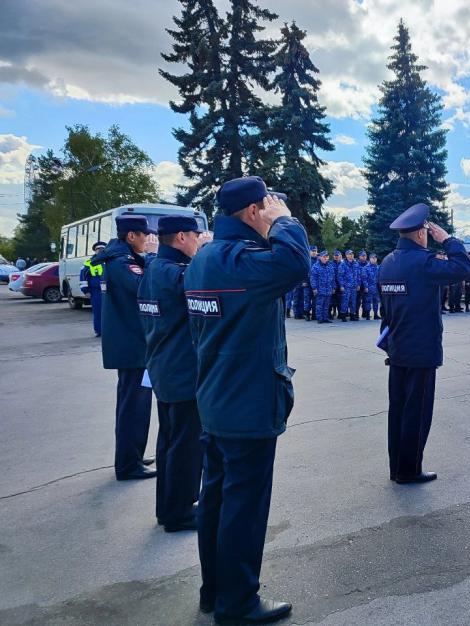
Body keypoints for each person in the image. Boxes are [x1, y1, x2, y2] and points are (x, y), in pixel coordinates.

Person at [184, 177, 310, 624]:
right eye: (268, 208)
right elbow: (296, 265)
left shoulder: (204, 259)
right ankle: (237, 603)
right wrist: (286, 222)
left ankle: (214, 591)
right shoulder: (244, 260)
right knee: (244, 508)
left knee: (216, 501)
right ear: (254, 212)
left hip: (216, 400)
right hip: (248, 403)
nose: (272, 214)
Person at [377, 203, 470, 484]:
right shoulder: (424, 262)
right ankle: (409, 470)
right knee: (416, 413)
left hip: (397, 347)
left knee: (399, 410)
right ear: (420, 234)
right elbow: (463, 268)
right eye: (428, 232)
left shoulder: (388, 261)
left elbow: (385, 307)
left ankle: (397, 468)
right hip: (420, 350)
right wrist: (449, 240)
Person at [137, 215, 204, 532]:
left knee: (169, 441)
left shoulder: (152, 269)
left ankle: (168, 506)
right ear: (181, 237)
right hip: (182, 371)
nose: (198, 240)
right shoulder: (177, 273)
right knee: (185, 444)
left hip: (163, 366)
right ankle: (179, 512)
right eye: (196, 235)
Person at [90, 215, 157, 481]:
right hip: (132, 347)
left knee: (135, 405)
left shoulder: (121, 259)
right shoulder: (121, 263)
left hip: (131, 343)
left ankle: (133, 455)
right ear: (131, 236)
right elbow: (145, 288)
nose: (147, 240)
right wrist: (151, 258)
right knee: (134, 407)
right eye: (143, 235)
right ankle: (128, 465)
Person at [79, 241, 106, 336]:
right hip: (96, 291)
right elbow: (83, 277)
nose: (100, 251)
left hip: (109, 291)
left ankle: (109, 330)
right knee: (98, 311)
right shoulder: (88, 263)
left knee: (110, 312)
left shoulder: (109, 261)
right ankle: (99, 331)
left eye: (102, 249)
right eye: (98, 249)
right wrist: (85, 290)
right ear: (95, 251)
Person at [310, 250, 335, 323]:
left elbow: (333, 278)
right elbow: (313, 278)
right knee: (319, 304)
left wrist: (333, 287)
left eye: (327, 257)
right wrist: (314, 288)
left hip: (328, 289)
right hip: (320, 289)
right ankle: (319, 318)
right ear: (320, 257)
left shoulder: (330, 266)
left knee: (327, 305)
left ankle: (325, 318)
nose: (326, 258)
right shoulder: (315, 266)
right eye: (324, 257)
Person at [338, 249, 361, 321]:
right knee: (345, 301)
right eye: (350, 254)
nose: (351, 255)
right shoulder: (343, 264)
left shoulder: (356, 264)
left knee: (353, 301)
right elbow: (340, 276)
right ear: (346, 255)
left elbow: (358, 275)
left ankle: (352, 315)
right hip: (346, 286)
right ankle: (343, 315)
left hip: (354, 286)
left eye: (352, 254)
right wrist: (341, 285)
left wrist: (358, 284)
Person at [361, 253, 381, 319]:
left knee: (376, 301)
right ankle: (367, 314)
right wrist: (366, 287)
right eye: (372, 258)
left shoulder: (378, 267)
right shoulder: (366, 268)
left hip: (376, 287)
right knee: (368, 301)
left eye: (375, 258)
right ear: (370, 259)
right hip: (369, 287)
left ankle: (375, 314)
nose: (374, 259)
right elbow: (364, 278)